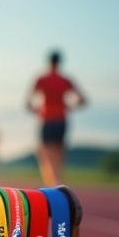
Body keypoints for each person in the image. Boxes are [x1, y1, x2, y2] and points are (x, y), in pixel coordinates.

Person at [26, 50, 86, 186]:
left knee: (45, 154)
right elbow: (83, 100)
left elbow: (28, 103)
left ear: (49, 62)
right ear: (59, 62)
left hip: (46, 119)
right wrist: (69, 106)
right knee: (59, 155)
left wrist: (37, 110)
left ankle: (52, 184)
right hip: (61, 119)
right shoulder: (65, 80)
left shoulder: (41, 79)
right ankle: (57, 183)